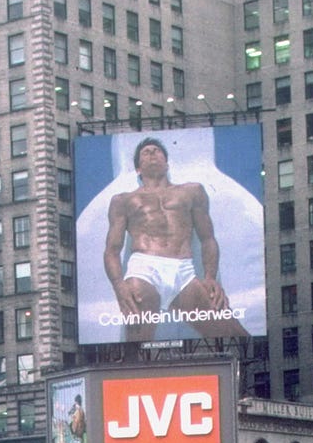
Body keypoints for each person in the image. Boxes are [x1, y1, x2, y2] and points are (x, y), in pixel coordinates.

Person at [102, 136, 248, 341]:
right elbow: (112, 249)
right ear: (138, 169)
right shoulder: (123, 200)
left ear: (167, 163)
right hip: (144, 269)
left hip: (184, 271)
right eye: (146, 152)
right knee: (136, 346)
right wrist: (119, 286)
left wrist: (210, 277)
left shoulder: (192, 191)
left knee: (237, 336)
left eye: (157, 150)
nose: (152, 152)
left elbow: (207, 238)